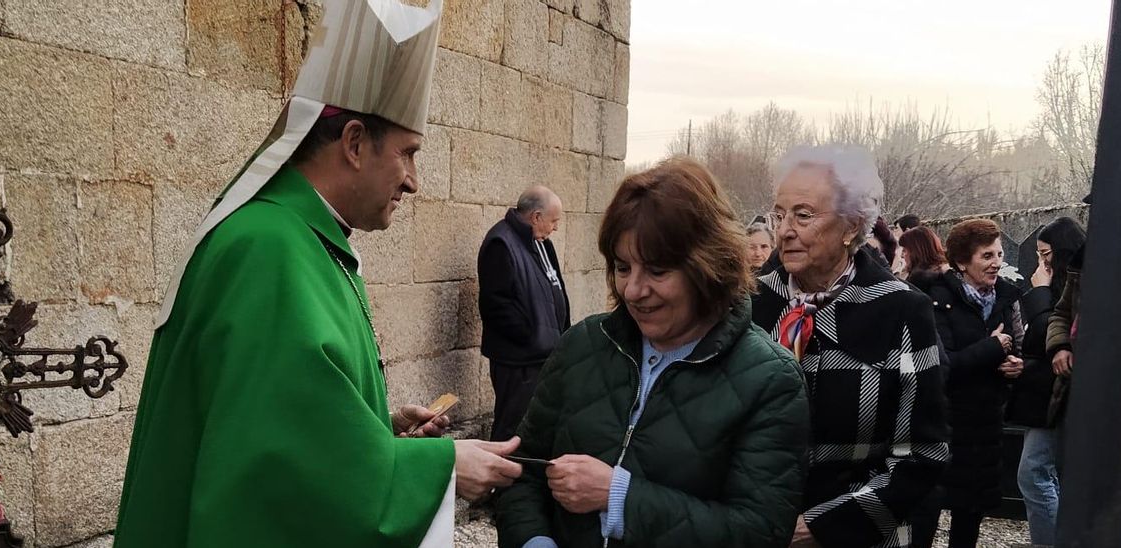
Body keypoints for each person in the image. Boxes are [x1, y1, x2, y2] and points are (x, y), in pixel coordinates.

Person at [114, 3, 522, 546]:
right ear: (354, 143)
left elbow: (289, 424)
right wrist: (440, 467)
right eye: (408, 154)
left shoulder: (304, 240)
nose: (414, 181)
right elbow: (275, 477)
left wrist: (377, 432)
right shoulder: (268, 251)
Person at [496, 157, 811, 548]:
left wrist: (621, 497)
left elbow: (758, 531)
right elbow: (523, 473)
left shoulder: (769, 379)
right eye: (623, 267)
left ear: (709, 265)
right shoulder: (584, 345)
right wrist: (534, 542)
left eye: (658, 271)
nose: (633, 290)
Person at [751, 145, 949, 548]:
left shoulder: (900, 309)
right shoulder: (749, 301)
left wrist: (820, 528)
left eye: (803, 215)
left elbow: (922, 454)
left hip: (857, 537)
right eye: (779, 214)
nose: (784, 230)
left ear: (850, 226)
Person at [911, 219, 1025, 548]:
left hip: (985, 427)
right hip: (945, 422)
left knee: (969, 515)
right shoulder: (935, 298)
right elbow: (941, 365)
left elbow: (1017, 345)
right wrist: (992, 348)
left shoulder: (1006, 296)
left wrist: (1015, 365)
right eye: (986, 256)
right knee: (926, 512)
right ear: (962, 261)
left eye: (999, 254)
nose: (996, 263)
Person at [1006, 217, 1086, 546]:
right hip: (1043, 393)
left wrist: (1039, 291)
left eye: (1046, 253)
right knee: (1039, 473)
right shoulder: (1068, 280)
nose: (1041, 262)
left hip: (1061, 391)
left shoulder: (1069, 277)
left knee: (1035, 473)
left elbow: (1041, 332)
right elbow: (1056, 323)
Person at [479, 186, 570, 441]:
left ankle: (522, 479)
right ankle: (499, 479)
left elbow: (555, 288)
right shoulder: (501, 242)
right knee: (512, 428)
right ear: (536, 217)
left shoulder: (543, 244)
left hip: (542, 356)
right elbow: (495, 305)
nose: (556, 228)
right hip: (518, 362)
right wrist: (531, 335)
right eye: (553, 221)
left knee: (534, 429)